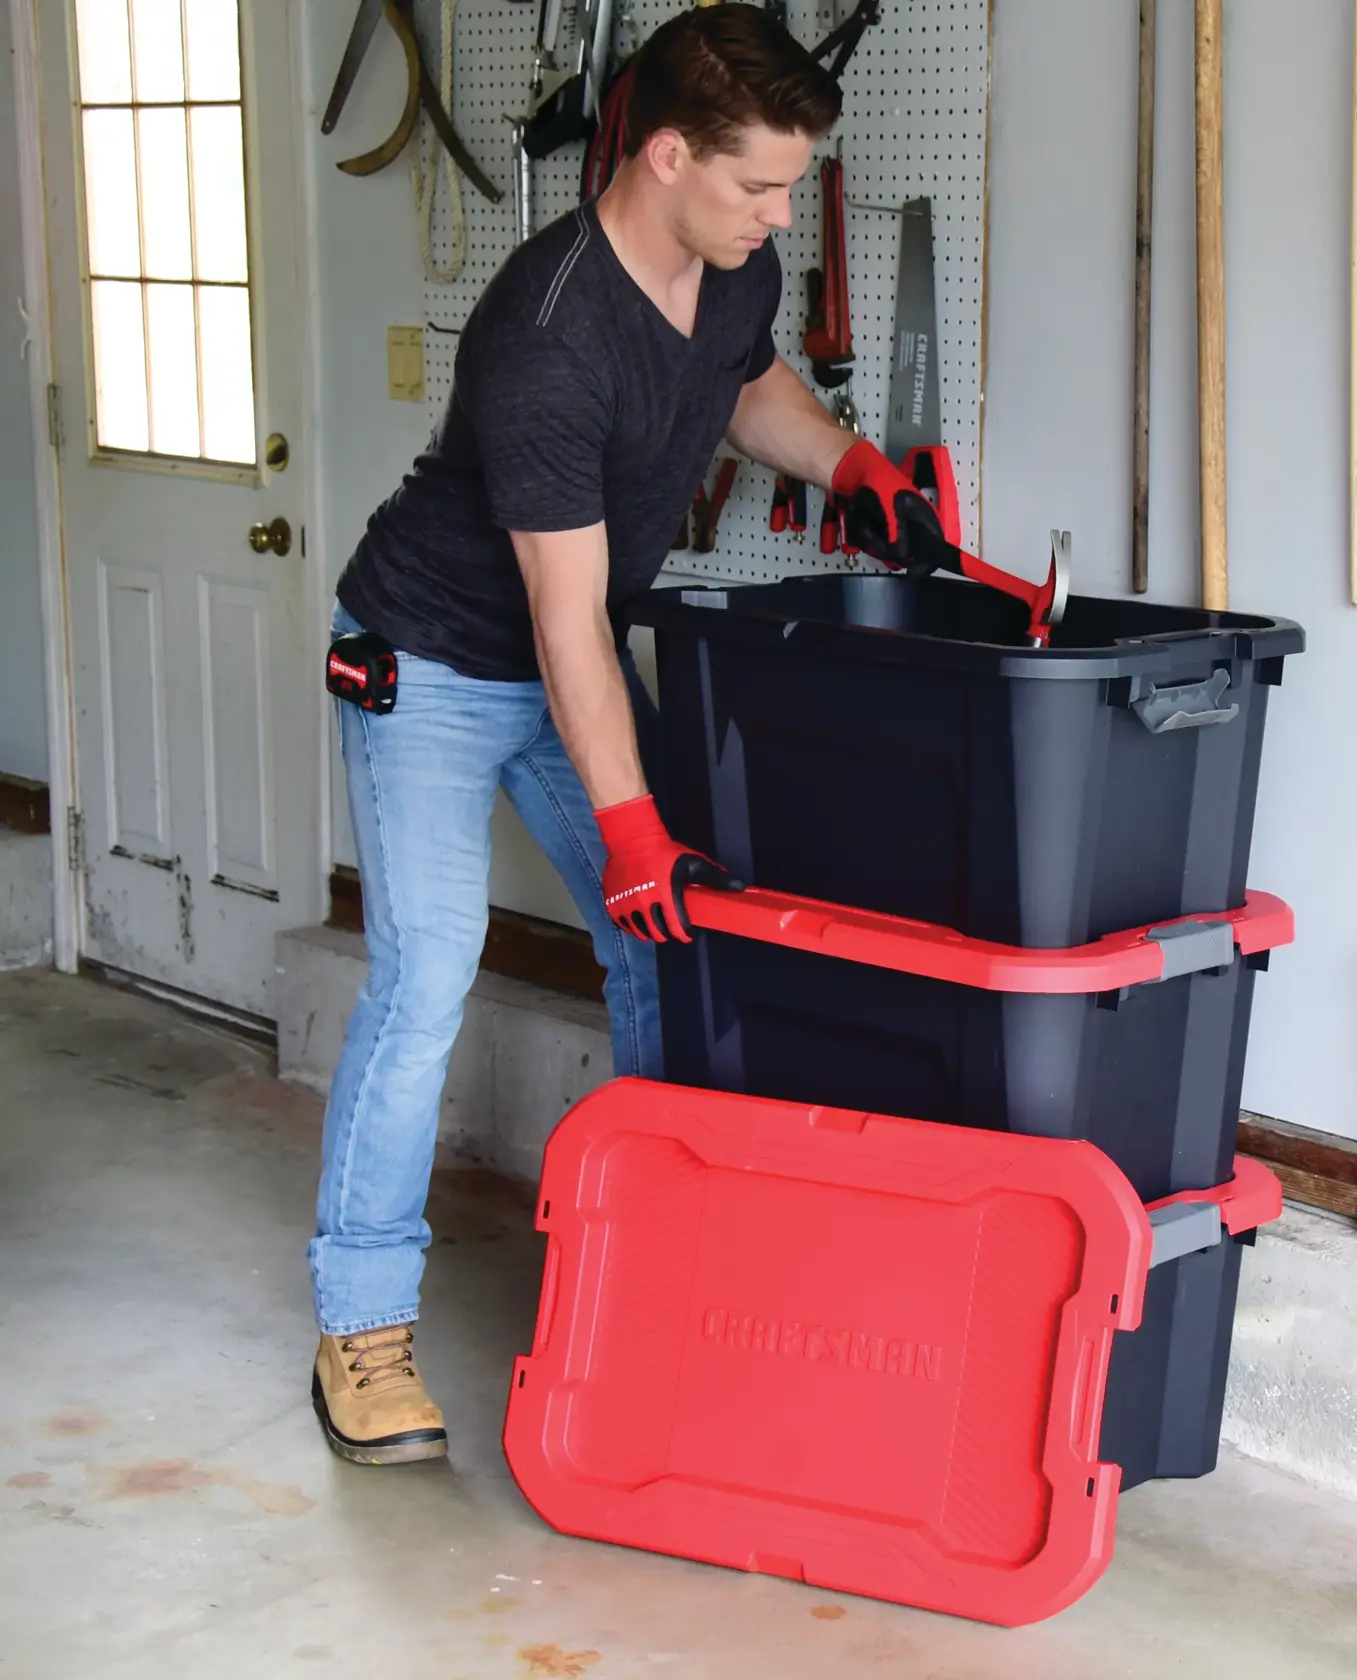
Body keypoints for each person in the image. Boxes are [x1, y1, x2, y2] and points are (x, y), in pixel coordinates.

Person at [308, 4, 946, 1465]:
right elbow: (567, 625)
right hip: (432, 661)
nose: (782, 214)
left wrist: (850, 461)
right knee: (426, 978)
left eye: (793, 187)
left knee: (672, 934)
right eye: (760, 186)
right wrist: (630, 827)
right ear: (667, 155)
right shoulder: (545, 338)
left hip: (559, 657)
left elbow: (745, 382)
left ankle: (666, 1247)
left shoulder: (731, 262)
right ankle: (362, 1329)